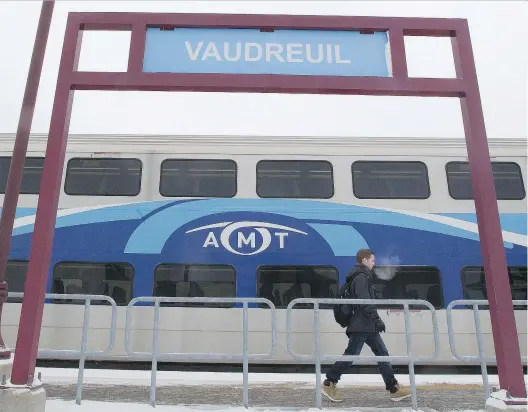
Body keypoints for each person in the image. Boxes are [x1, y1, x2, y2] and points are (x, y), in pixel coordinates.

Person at [321, 249, 411, 403]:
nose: (374, 263)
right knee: (351, 355)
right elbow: (365, 302)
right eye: (372, 260)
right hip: (362, 325)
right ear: (364, 260)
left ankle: (393, 388)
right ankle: (329, 382)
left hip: (366, 325)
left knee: (382, 354)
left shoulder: (361, 276)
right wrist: (377, 320)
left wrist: (375, 321)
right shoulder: (361, 277)